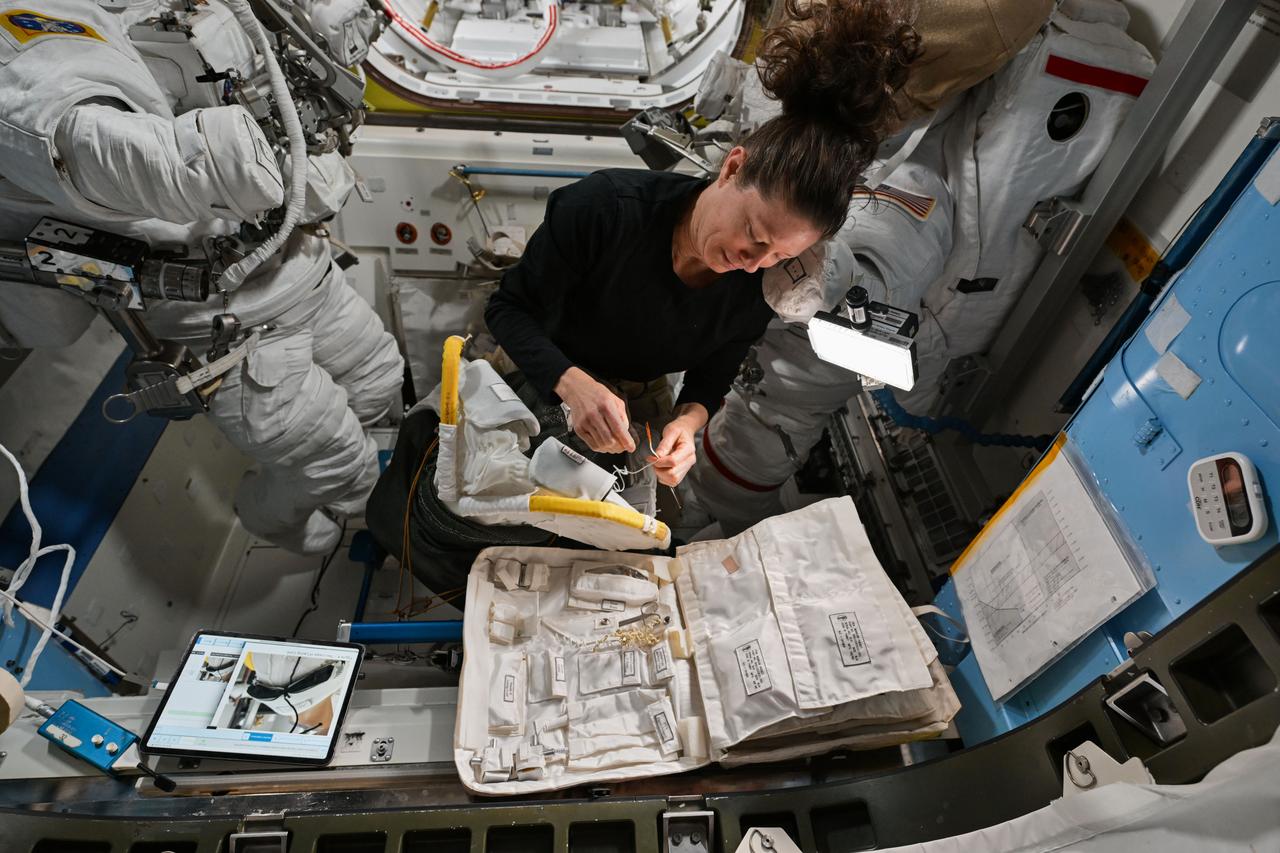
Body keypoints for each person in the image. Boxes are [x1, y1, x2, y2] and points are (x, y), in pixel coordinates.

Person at [484, 113, 884, 489]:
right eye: (753, 234)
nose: (753, 264)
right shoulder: (604, 208)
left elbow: (710, 379)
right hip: (540, 360)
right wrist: (573, 386)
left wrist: (687, 425)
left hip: (637, 395)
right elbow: (508, 310)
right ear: (732, 168)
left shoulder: (761, 287)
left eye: (778, 256)